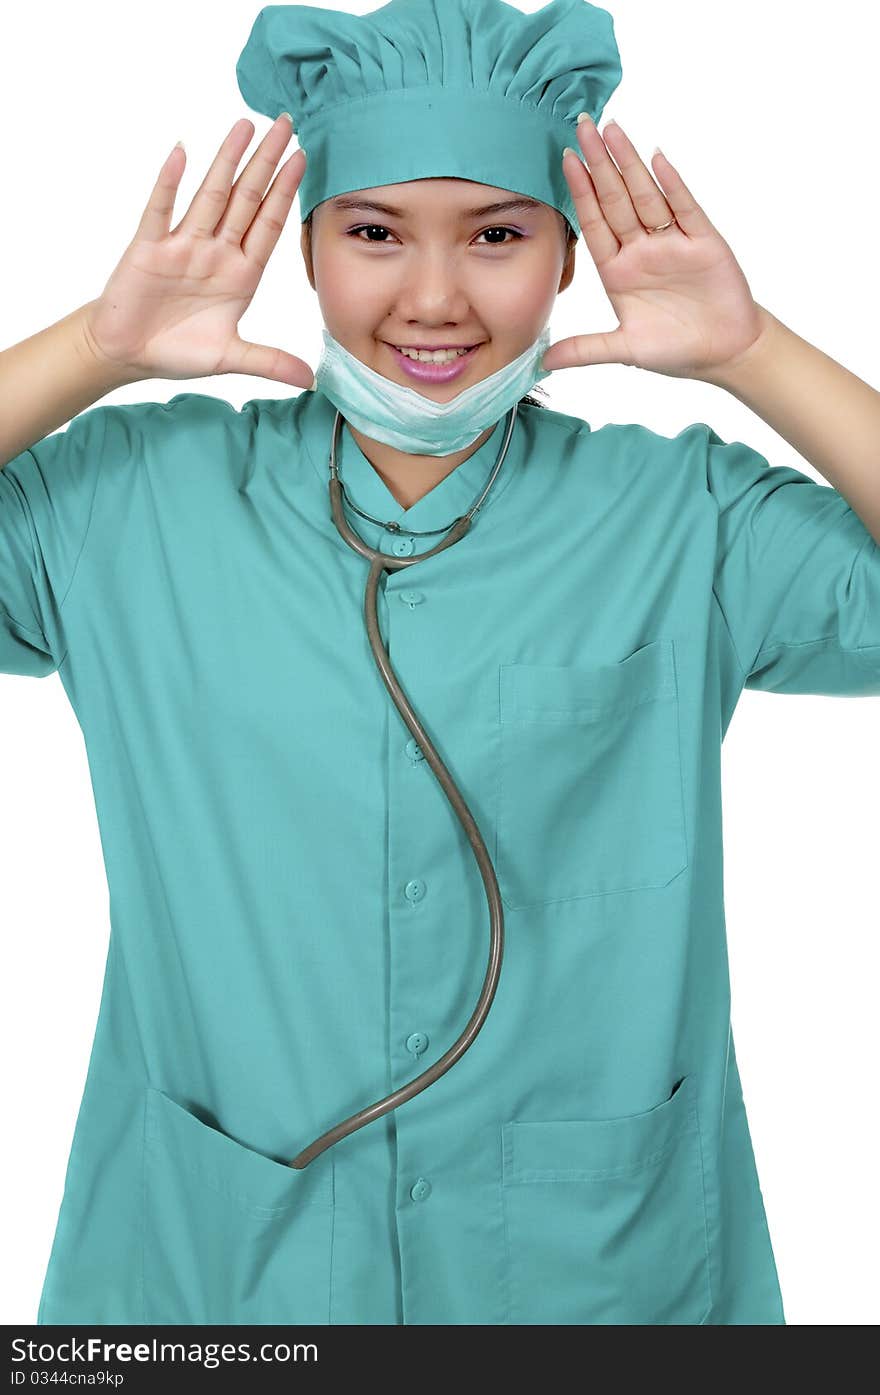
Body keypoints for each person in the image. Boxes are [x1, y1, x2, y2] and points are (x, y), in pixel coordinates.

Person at [1, 0, 878, 1327]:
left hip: (597, 1273)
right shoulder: (128, 504)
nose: (432, 298)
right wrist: (92, 353)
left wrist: (758, 358)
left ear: (571, 254)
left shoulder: (687, 520)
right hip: (217, 1267)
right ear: (301, 246)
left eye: (497, 235)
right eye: (373, 234)